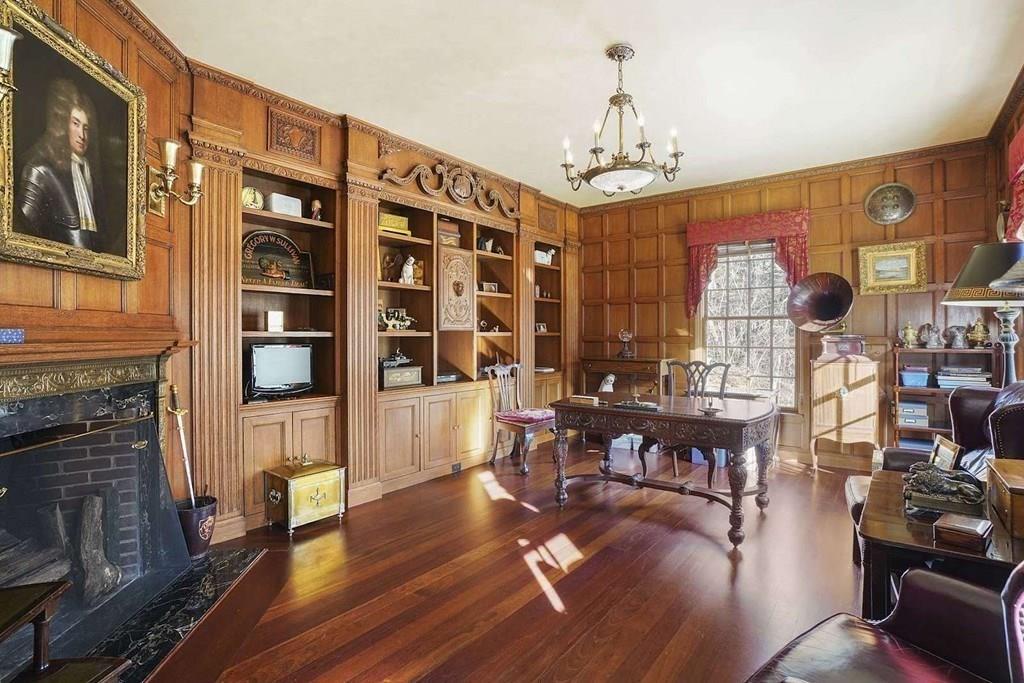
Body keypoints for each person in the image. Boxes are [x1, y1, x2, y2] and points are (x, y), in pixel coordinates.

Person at [17, 78, 106, 251]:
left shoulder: (89, 175)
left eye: (86, 128)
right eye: (76, 124)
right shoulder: (40, 172)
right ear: (63, 123)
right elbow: (22, 232)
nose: (82, 135)